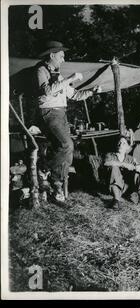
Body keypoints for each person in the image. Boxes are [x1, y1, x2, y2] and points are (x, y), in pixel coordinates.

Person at [34, 41, 102, 204]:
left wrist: (91, 91)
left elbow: (74, 95)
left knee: (67, 151)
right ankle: (44, 168)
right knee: (67, 145)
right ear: (52, 55)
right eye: (61, 56)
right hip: (49, 113)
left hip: (62, 114)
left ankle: (56, 185)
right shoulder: (40, 70)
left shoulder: (59, 75)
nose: (63, 60)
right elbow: (47, 90)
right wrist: (71, 78)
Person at [104, 136, 140, 210]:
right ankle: (116, 200)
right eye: (119, 143)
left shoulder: (130, 158)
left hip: (126, 187)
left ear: (127, 147)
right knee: (114, 167)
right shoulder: (110, 155)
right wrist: (124, 164)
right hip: (113, 187)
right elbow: (106, 163)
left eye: (124, 143)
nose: (120, 145)